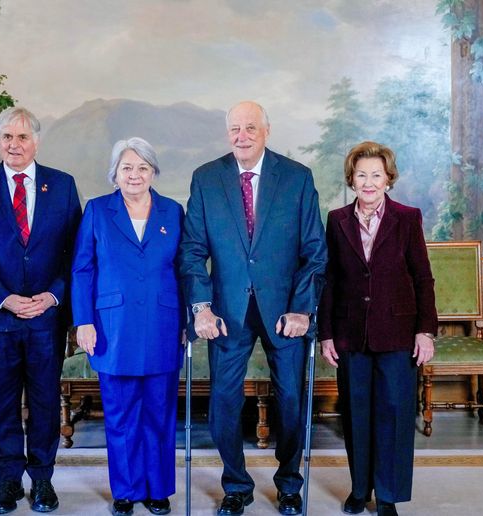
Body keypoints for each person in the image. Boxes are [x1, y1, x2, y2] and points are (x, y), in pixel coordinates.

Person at [178, 101, 327, 516]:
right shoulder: (207, 179)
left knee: (292, 399)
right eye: (235, 129)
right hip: (226, 313)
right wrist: (201, 308)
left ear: (267, 130)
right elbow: (192, 250)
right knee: (223, 400)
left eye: (250, 128)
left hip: (285, 311)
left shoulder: (296, 178)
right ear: (227, 133)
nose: (242, 136)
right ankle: (237, 485)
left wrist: (302, 310)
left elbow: (315, 252)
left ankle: (289, 484)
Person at [0, 106, 82, 515]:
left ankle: (42, 480)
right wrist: (3, 298)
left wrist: (53, 295)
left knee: (45, 400)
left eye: (22, 137)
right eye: (7, 137)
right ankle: (9, 481)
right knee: (6, 400)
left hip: (47, 315)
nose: (14, 145)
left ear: (36, 142)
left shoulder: (62, 186)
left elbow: (77, 253)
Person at [317, 141, 437, 516]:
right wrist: (325, 334)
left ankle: (387, 495)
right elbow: (330, 279)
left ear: (388, 179)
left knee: (395, 414)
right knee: (355, 415)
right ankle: (359, 489)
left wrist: (425, 331)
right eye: (361, 175)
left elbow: (423, 277)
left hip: (399, 333)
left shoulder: (407, 217)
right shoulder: (337, 220)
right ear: (352, 180)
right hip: (350, 333)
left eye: (376, 175)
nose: (368, 182)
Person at [70, 138, 184, 516]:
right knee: (120, 415)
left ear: (153, 172)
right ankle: (125, 490)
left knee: (159, 413)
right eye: (127, 168)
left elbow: (186, 270)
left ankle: (157, 489)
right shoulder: (98, 211)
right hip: (111, 328)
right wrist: (83, 320)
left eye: (142, 168)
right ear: (115, 174)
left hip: (162, 325)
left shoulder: (173, 211)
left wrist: (187, 321)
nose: (134, 175)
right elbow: (83, 268)